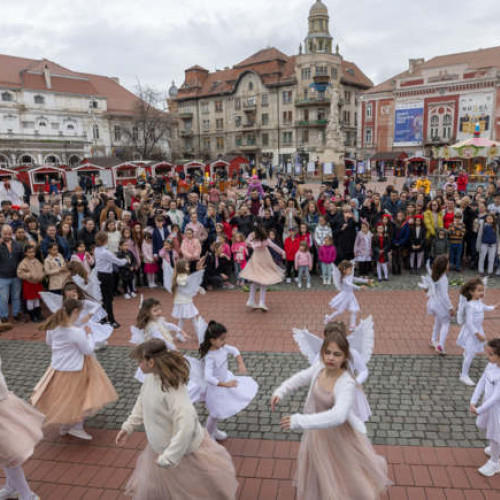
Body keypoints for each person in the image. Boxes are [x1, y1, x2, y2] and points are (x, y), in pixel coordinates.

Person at [271, 333, 390, 500]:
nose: (331, 358)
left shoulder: (346, 383)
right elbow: (300, 377)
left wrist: (299, 420)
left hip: (339, 436)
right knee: (320, 472)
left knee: (348, 473)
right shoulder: (319, 367)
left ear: (345, 357)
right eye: (327, 352)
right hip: (317, 433)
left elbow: (338, 416)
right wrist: (280, 391)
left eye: (337, 354)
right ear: (322, 353)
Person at [116, 339, 238, 500]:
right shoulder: (150, 379)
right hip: (160, 447)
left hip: (180, 452)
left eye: (140, 361)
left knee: (191, 488)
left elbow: (186, 424)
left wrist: (170, 456)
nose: (138, 364)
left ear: (151, 362)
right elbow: (142, 401)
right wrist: (128, 426)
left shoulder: (172, 390)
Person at [31, 299, 118, 440]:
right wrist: (89, 334)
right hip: (76, 368)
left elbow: (49, 342)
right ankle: (77, 427)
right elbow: (88, 350)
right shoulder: (76, 332)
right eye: (79, 313)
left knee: (65, 397)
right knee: (79, 397)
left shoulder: (54, 326)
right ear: (75, 312)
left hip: (58, 367)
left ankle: (66, 425)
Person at [199, 321, 258, 441]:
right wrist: (225, 384)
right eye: (221, 339)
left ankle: (213, 431)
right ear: (212, 340)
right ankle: (208, 436)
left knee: (218, 412)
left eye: (225, 338)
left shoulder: (222, 347)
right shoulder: (210, 357)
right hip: (217, 387)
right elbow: (208, 377)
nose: (224, 342)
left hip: (226, 380)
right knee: (215, 413)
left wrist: (240, 363)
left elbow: (235, 350)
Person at [0, 353, 43, 500]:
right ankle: (12, 488)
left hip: (3, 415)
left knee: (9, 458)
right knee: (6, 458)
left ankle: (27, 495)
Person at [457, 278, 497, 386]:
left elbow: (485, 307)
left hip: (478, 330)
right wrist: (477, 334)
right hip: (472, 333)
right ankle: (464, 375)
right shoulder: (470, 305)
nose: (482, 293)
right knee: (470, 354)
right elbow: (469, 323)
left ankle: (493, 365)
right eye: (479, 290)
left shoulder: (478, 302)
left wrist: (495, 307)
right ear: (471, 292)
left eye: (483, 290)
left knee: (485, 347)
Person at [470, 338, 500, 477]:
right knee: (491, 431)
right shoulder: (491, 365)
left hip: (496, 410)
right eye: (487, 354)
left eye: (491, 355)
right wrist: (474, 400)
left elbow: (496, 397)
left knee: (495, 434)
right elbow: (482, 381)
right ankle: (495, 450)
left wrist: (479, 410)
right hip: (488, 407)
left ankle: (494, 463)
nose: (487, 357)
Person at [239, 225, 285, 311]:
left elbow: (245, 244)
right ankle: (261, 302)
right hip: (264, 259)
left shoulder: (252, 238)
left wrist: (241, 249)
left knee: (256, 279)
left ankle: (251, 299)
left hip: (256, 259)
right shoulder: (265, 239)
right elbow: (274, 246)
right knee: (264, 280)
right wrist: (282, 252)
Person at [325, 260, 372, 330]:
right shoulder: (344, 279)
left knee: (354, 310)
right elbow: (350, 285)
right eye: (350, 269)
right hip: (345, 296)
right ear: (344, 270)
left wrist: (365, 281)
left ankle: (352, 326)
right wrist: (359, 287)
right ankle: (329, 318)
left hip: (350, 296)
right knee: (340, 311)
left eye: (351, 269)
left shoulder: (349, 276)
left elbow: (355, 279)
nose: (351, 271)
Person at [94, 231, 128, 328]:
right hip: (106, 276)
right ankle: (111, 320)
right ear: (105, 240)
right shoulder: (105, 252)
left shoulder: (97, 249)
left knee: (105, 297)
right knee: (108, 298)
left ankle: (103, 318)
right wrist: (126, 259)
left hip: (100, 274)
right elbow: (119, 262)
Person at [422, 255, 454, 355]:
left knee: (437, 322)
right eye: (448, 263)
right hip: (441, 305)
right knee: (445, 323)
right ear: (444, 267)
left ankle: (433, 339)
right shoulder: (443, 278)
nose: (449, 265)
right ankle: (440, 346)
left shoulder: (433, 275)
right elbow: (444, 296)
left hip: (433, 303)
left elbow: (427, 288)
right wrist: (451, 307)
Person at [0, 224, 24, 323]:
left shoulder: (17, 244)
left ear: (12, 234)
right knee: (3, 298)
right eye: (5, 233)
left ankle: (16, 314)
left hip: (16, 276)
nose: (7, 235)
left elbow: (21, 259)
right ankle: (4, 316)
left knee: (16, 297)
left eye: (9, 233)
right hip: (2, 276)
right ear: (1, 233)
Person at [16, 245, 45, 323]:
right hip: (29, 283)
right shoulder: (24, 263)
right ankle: (32, 315)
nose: (31, 254)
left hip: (37, 283)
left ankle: (38, 313)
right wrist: (29, 275)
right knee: (30, 299)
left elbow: (42, 269)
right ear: (25, 253)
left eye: (33, 252)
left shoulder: (37, 261)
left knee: (37, 299)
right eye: (29, 252)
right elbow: (20, 273)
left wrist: (41, 275)